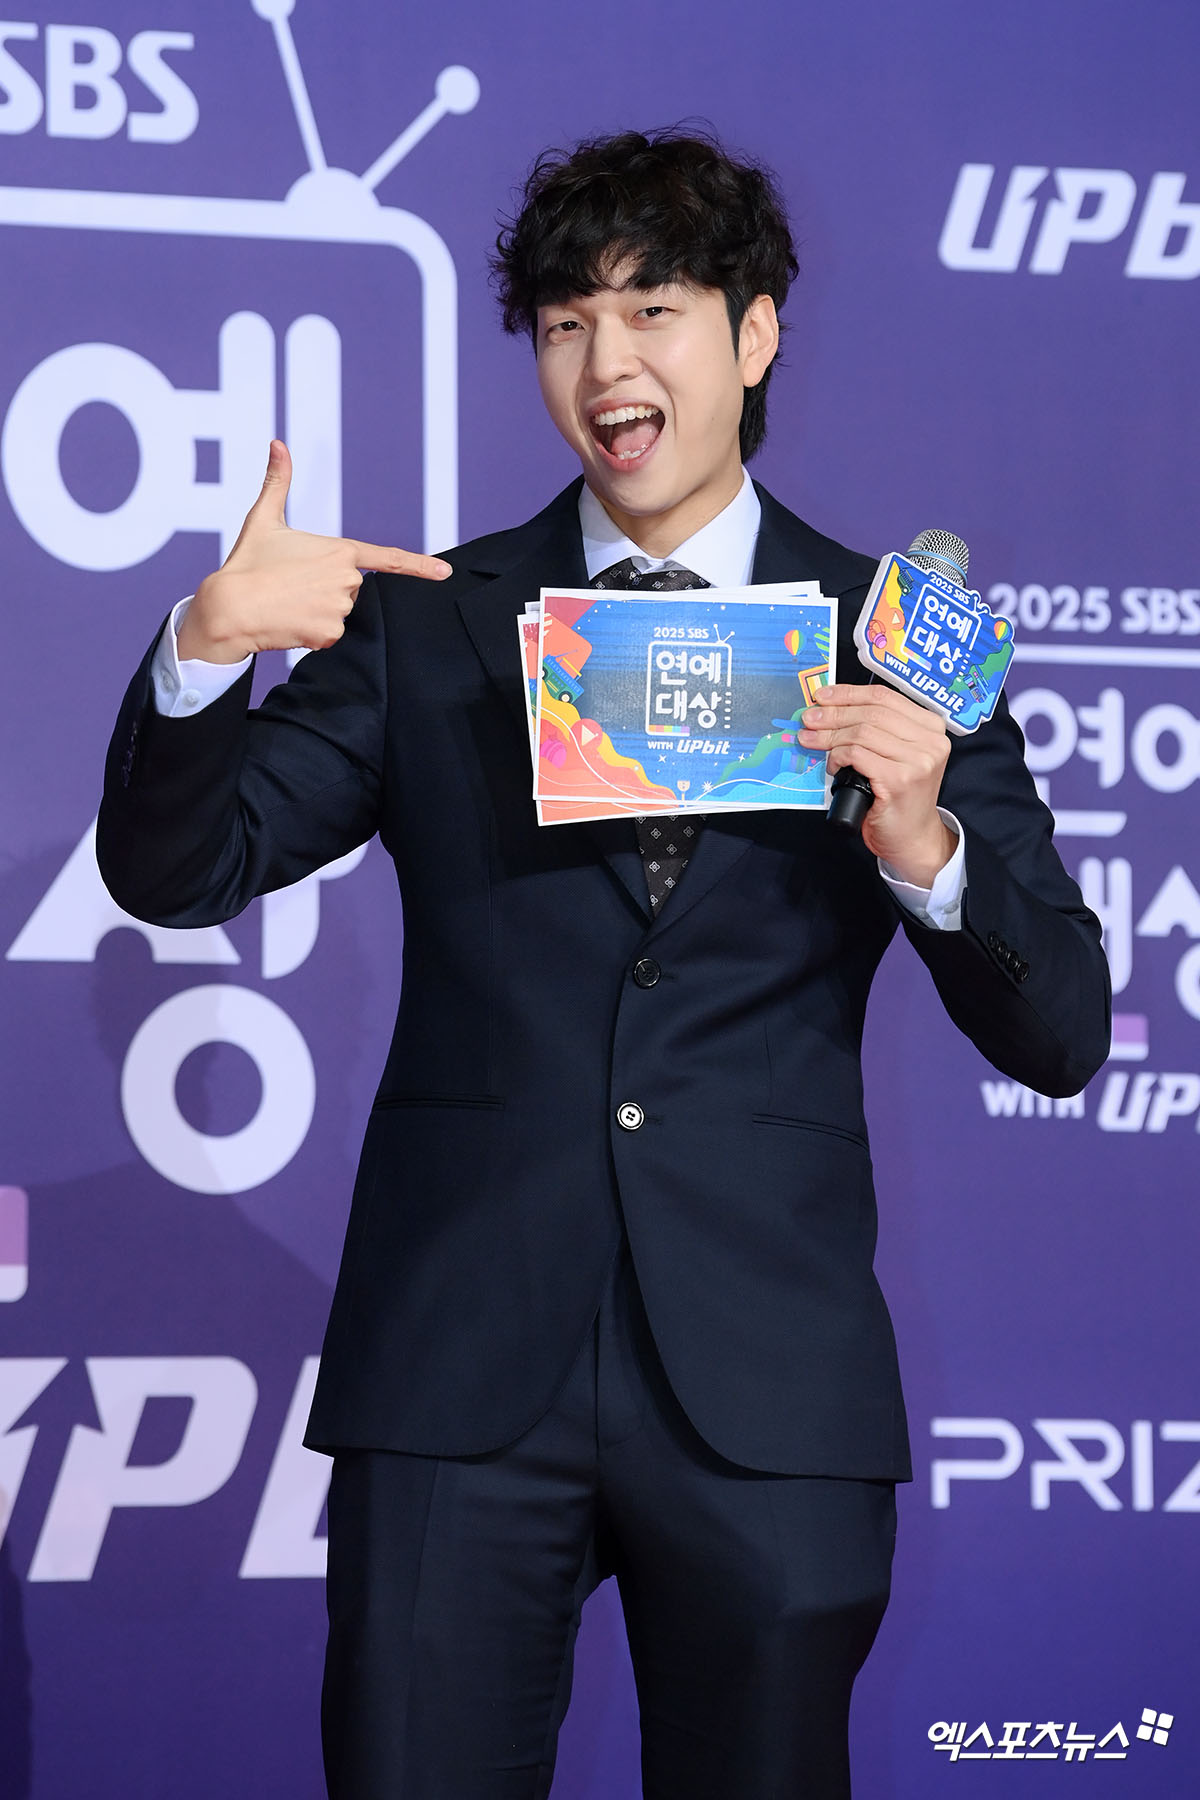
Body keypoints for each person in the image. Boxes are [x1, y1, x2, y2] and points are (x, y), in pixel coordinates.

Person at [98, 130, 1110, 1800]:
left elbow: (1065, 1027)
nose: (606, 363)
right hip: (460, 1370)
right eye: (566, 323)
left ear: (754, 334)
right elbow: (177, 868)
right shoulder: (433, 619)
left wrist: (927, 841)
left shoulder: (892, 647)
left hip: (765, 1386)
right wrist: (207, 651)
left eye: (653, 310)